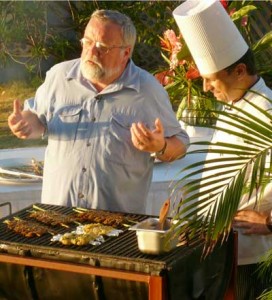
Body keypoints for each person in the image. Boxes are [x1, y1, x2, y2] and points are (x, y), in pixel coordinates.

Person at [8, 9, 189, 214]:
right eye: (87, 42)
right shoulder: (59, 77)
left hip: (116, 224)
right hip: (56, 217)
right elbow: (37, 118)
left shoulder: (147, 90)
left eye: (102, 47)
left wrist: (161, 146)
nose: (91, 52)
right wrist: (25, 124)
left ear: (126, 52)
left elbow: (180, 145)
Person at [173, 0, 272, 299]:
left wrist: (269, 221)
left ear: (240, 71)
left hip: (254, 256)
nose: (205, 88)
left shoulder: (268, 111)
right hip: (225, 248)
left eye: (210, 79)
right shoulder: (234, 101)